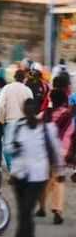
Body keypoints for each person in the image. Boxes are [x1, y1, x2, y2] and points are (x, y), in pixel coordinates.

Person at [7, 99, 62, 237]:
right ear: (24, 110)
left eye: (33, 110)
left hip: (38, 177)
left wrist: (60, 172)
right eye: (27, 109)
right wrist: (14, 147)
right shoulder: (16, 127)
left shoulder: (47, 129)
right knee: (24, 213)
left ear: (36, 110)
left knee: (25, 212)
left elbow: (56, 151)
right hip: (19, 175)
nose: (30, 112)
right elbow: (8, 147)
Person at [36, 89, 74, 225]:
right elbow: (71, 134)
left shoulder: (45, 113)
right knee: (58, 181)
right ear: (64, 100)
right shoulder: (68, 114)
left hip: (44, 152)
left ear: (51, 99)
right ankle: (57, 211)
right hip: (60, 152)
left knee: (45, 180)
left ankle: (41, 207)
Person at [0, 69, 34, 169]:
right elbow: (31, 106)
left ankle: (12, 169)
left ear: (14, 77)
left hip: (9, 122)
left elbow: (1, 106)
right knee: (23, 147)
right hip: (24, 122)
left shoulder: (6, 88)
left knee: (8, 148)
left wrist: (2, 119)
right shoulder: (27, 90)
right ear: (24, 79)